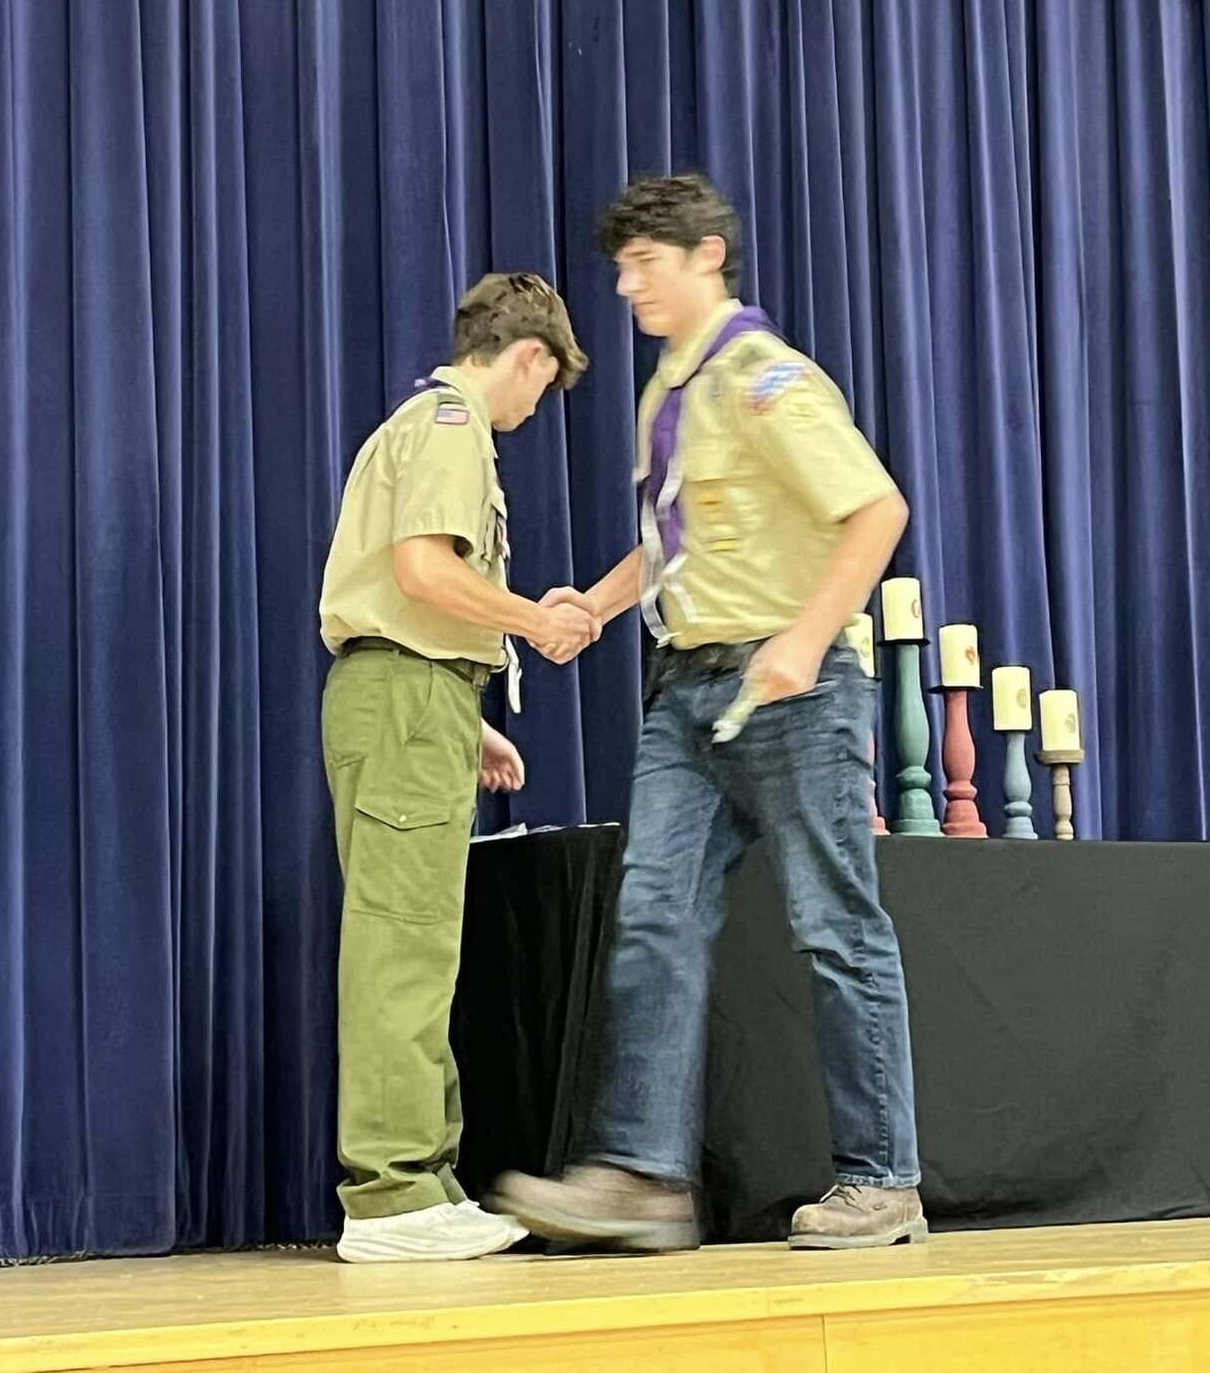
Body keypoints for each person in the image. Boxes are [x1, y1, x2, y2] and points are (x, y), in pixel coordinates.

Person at [492, 174, 926, 1252]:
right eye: (623, 265)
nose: (629, 282)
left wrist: (804, 638)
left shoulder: (766, 377)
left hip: (792, 687)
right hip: (686, 691)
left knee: (835, 928)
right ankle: (642, 1176)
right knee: (652, 923)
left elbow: (876, 510)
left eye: (647, 261)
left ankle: (885, 1179)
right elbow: (681, 533)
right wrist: (594, 605)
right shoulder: (669, 389)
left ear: (707, 258)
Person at [318, 272, 598, 1262]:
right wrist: (535, 620)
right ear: (528, 356)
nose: (534, 411)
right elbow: (422, 572)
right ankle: (392, 1192)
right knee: (402, 942)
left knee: (422, 941)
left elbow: (410, 604)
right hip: (403, 696)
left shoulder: (424, 426)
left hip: (419, 693)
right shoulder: (448, 426)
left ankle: (424, 1180)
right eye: (544, 386)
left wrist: (469, 717)